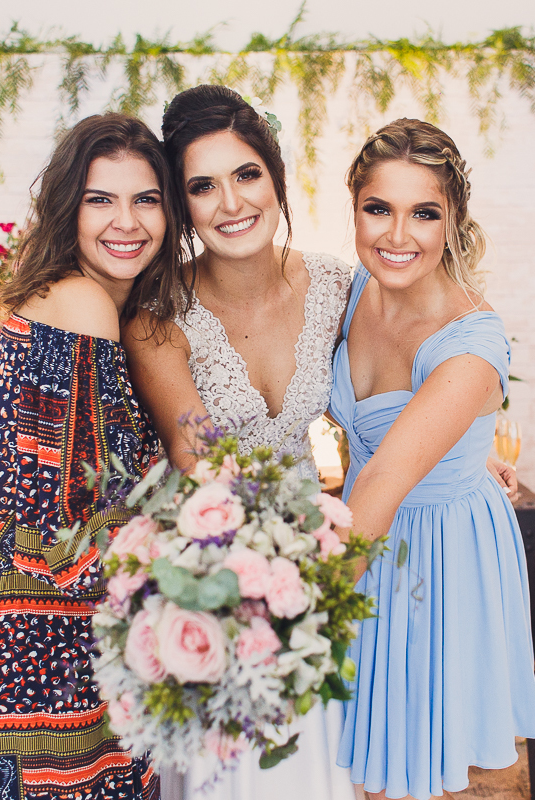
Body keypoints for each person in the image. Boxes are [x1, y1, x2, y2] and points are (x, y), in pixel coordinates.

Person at [0, 113, 184, 800]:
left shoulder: (87, 303)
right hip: (36, 643)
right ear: (69, 208)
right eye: (100, 199)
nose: (124, 221)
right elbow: (86, 524)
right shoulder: (80, 305)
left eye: (145, 199)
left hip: (11, 619)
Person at [123, 84, 357, 800]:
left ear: (276, 176)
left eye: (247, 174)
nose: (232, 203)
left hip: (330, 561)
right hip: (221, 567)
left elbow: (394, 396)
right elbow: (200, 465)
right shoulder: (157, 315)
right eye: (203, 186)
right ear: (180, 203)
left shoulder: (342, 286)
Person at [329, 119, 535, 800]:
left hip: (437, 551)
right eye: (379, 210)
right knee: (354, 753)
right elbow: (388, 443)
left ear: (453, 221)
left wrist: (301, 607)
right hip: (367, 526)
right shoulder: (355, 290)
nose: (398, 236)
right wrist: (464, 452)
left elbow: (394, 471)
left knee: (428, 759)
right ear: (354, 209)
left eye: (424, 213)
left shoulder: (470, 345)